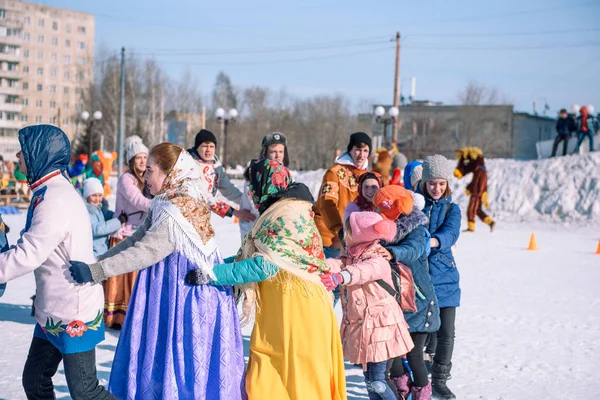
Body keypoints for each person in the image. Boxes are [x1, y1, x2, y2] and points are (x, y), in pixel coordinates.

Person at [69, 143, 245, 399]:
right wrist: (99, 261)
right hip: (171, 289)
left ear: (169, 172)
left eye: (150, 170)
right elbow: (137, 238)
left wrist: (98, 271)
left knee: (180, 359)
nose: (144, 176)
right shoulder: (165, 200)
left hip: (187, 296)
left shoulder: (177, 209)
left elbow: (146, 252)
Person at [185, 159, 347, 400]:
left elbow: (265, 265)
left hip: (300, 316)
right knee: (270, 381)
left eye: (252, 186)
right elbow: (255, 257)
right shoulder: (283, 210)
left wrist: (213, 274)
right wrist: (215, 265)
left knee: (298, 385)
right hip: (283, 313)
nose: (250, 193)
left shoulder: (287, 215)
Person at [0, 125, 113, 399]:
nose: (17, 155)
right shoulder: (48, 190)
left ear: (40, 154)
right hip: (53, 310)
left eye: (23, 151)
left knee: (86, 392)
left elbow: (29, 253)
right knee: (35, 380)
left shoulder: (55, 199)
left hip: (73, 311)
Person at [321, 211, 414, 400]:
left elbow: (364, 271)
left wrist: (341, 277)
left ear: (361, 234)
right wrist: (316, 265)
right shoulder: (352, 255)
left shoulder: (378, 258)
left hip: (382, 329)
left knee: (379, 382)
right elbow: (337, 263)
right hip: (364, 329)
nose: (345, 234)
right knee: (370, 383)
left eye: (349, 230)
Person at [373, 185, 440, 400]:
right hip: (395, 304)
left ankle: (422, 395)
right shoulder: (383, 230)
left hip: (420, 303)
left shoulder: (418, 229)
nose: (379, 214)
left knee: (413, 355)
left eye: (383, 209)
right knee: (392, 356)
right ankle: (401, 391)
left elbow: (413, 250)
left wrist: (391, 253)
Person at [420, 154, 462, 400]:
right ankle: (418, 376)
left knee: (446, 332)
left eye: (441, 183)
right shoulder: (414, 205)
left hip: (445, 276)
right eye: (432, 183)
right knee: (421, 330)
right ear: (425, 183)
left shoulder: (452, 209)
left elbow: (451, 233)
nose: (437, 188)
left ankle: (440, 380)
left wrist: (433, 241)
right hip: (419, 276)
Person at [102, 135, 151, 329]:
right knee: (123, 280)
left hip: (139, 234)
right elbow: (138, 201)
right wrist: (161, 205)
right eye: (138, 157)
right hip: (124, 235)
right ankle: (118, 317)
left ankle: (135, 317)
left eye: (145, 157)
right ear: (131, 160)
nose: (142, 161)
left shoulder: (145, 178)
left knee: (135, 278)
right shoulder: (126, 179)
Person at [315, 131, 371, 260]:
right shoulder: (334, 173)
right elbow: (327, 204)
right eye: (357, 150)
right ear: (350, 151)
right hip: (329, 237)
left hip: (354, 241)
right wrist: (339, 230)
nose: (361, 155)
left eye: (365, 151)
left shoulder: (368, 177)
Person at [187, 128, 255, 222]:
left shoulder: (214, 163)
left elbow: (228, 189)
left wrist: (249, 203)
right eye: (205, 146)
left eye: (211, 146)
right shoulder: (190, 165)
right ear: (197, 147)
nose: (208, 150)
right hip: (187, 215)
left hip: (202, 216)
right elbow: (205, 197)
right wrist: (234, 212)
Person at [239, 131, 289, 239]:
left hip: (278, 227)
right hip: (254, 226)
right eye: (273, 152)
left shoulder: (287, 174)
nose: (278, 156)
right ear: (265, 153)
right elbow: (254, 202)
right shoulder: (255, 173)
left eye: (281, 151)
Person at [83, 178, 126, 257]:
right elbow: (97, 229)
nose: (97, 199)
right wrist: (118, 221)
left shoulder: (97, 208)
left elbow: (105, 214)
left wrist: (115, 215)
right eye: (94, 195)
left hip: (101, 249)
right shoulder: (87, 211)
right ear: (87, 195)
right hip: (94, 252)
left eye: (100, 195)